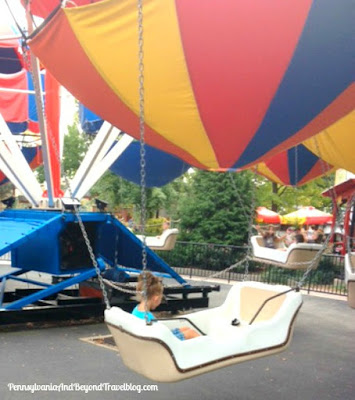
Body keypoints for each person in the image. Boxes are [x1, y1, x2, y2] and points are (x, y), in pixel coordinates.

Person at [132, 272, 200, 340]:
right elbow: (160, 338)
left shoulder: (136, 309)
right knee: (191, 333)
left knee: (186, 328)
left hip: (156, 338)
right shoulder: (149, 318)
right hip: (163, 343)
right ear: (156, 298)